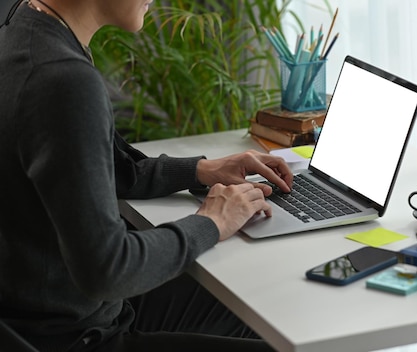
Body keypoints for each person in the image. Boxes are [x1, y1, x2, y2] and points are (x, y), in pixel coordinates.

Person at [0, 0, 293, 351]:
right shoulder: (64, 80)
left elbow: (101, 168)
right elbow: (109, 269)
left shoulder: (26, 29)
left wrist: (200, 170)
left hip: (49, 313)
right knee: (279, 329)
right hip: (79, 336)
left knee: (262, 306)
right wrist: (212, 222)